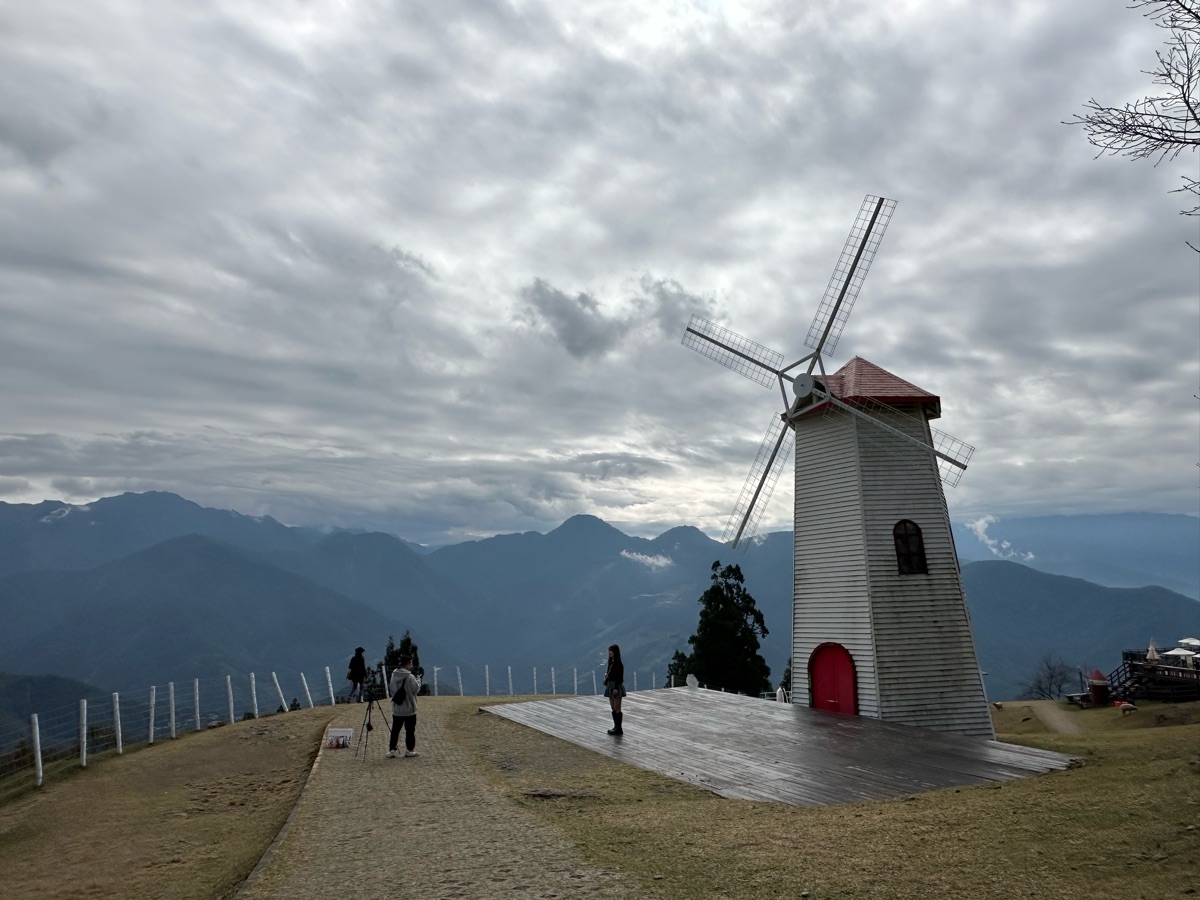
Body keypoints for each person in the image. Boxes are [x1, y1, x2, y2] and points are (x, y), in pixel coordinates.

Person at [387, 655, 420, 758]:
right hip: (409, 709)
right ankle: (409, 750)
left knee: (395, 730)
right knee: (410, 730)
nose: (411, 665)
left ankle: (392, 749)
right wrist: (419, 681)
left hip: (397, 709)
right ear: (407, 664)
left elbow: (392, 690)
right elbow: (415, 690)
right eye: (410, 663)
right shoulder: (410, 677)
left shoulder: (394, 675)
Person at [603, 643, 626, 735]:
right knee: (613, 707)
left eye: (611, 651)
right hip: (610, 685)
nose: (609, 653)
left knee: (617, 708)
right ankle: (616, 726)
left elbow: (620, 678)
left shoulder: (618, 664)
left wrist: (616, 687)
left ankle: (619, 728)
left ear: (615, 652)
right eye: (609, 651)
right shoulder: (611, 663)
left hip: (615, 686)